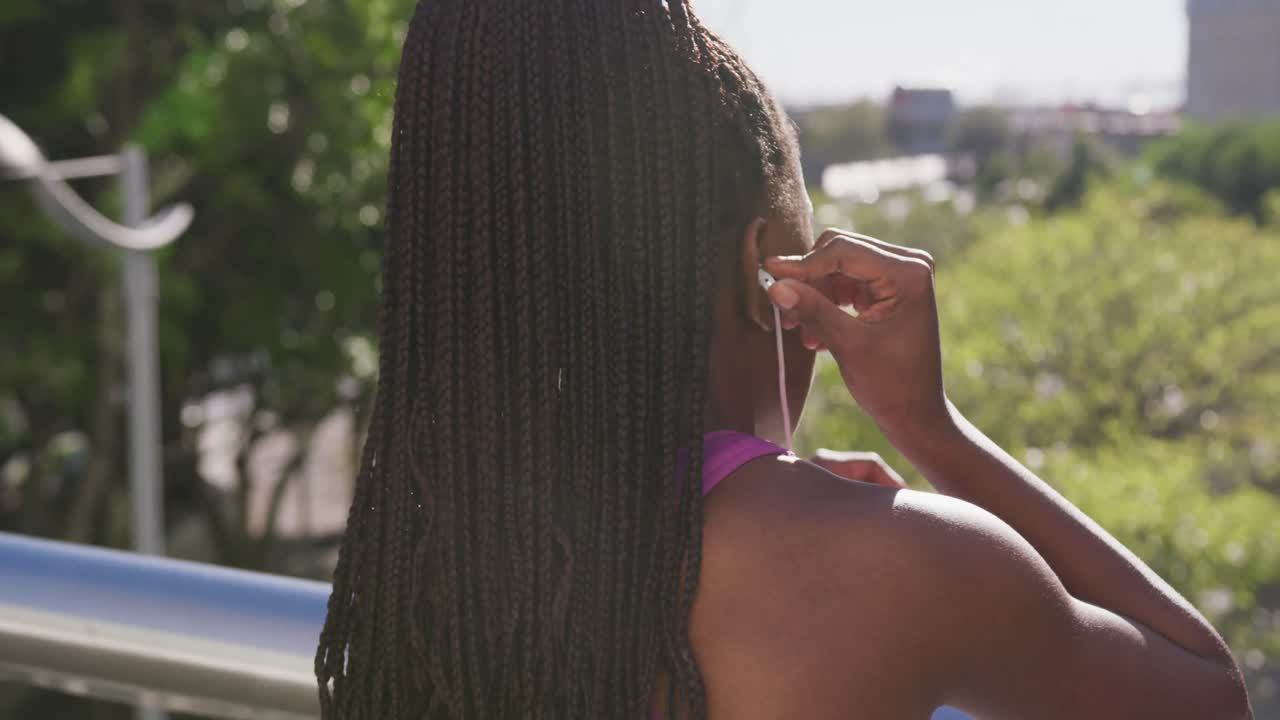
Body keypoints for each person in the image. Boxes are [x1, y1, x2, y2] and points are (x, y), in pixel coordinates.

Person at [314, 1, 1253, 718]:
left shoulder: (429, 545)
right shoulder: (898, 568)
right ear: (764, 273)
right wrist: (935, 430)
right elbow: (1210, 694)